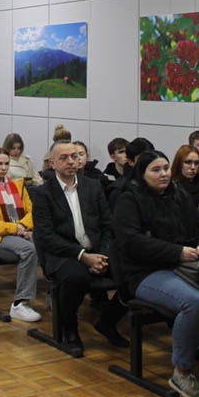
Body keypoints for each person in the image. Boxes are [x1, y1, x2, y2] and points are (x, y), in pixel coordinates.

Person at [113, 150, 199, 397]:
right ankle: (182, 371)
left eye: (166, 168)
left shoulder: (178, 193)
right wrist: (177, 252)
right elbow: (133, 243)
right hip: (144, 272)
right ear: (142, 174)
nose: (164, 174)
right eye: (156, 170)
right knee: (195, 302)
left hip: (184, 264)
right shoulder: (129, 200)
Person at [33, 141, 128, 354]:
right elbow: (47, 236)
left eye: (74, 157)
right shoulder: (43, 193)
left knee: (131, 272)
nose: (71, 162)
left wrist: (102, 255)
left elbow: (108, 225)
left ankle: (107, 321)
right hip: (62, 254)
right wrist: (83, 256)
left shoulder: (93, 186)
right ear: (52, 163)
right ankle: (69, 328)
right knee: (76, 277)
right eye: (64, 158)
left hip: (96, 251)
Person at [0, 148, 40, 322]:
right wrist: (15, 228)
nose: (3, 168)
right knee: (29, 250)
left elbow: (32, 212)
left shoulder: (17, 185)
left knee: (48, 243)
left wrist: (23, 226)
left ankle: (54, 295)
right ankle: (20, 303)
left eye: (6, 164)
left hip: (22, 230)